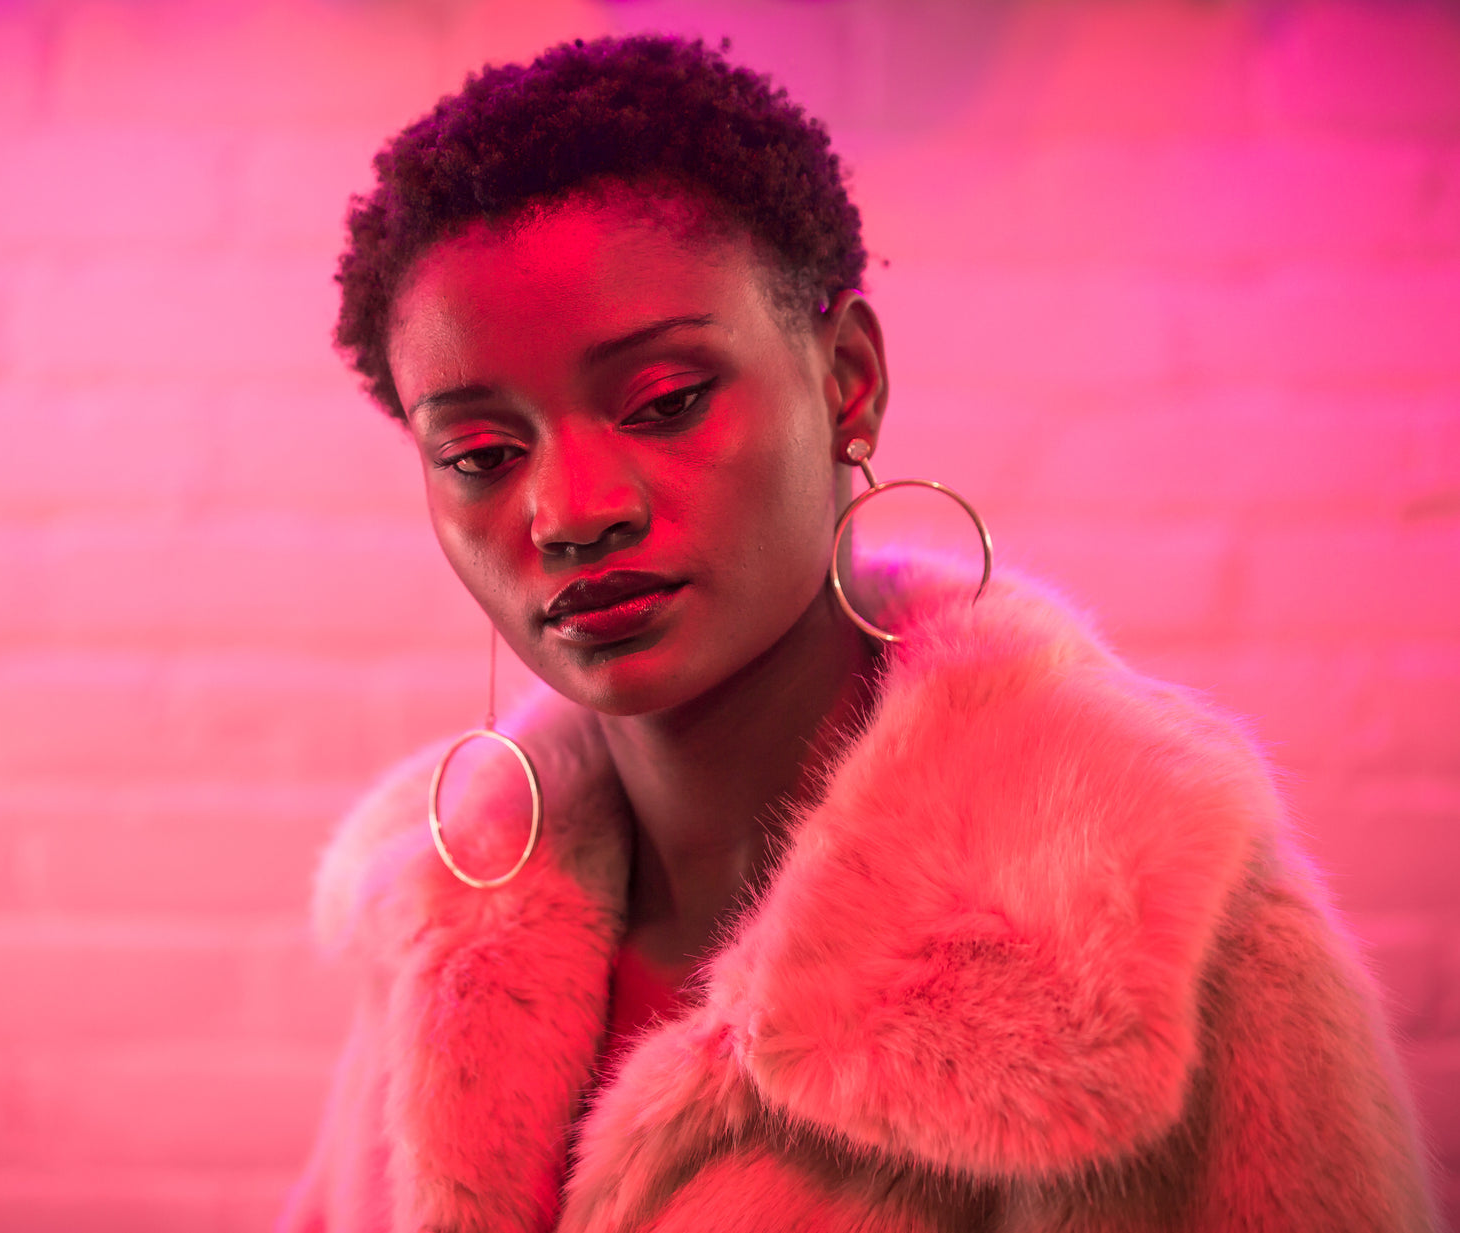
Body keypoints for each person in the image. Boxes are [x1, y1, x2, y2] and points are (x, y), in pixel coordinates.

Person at [278, 35, 1434, 1233]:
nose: (570, 511)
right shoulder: (436, 934)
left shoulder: (1153, 923)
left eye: (665, 402)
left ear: (847, 381)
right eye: (478, 456)